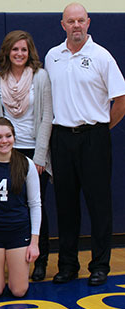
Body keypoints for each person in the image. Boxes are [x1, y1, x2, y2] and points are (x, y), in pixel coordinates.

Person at [45, 2, 125, 286]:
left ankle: (100, 265)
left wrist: (101, 128)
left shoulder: (102, 56)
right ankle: (67, 265)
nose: (76, 25)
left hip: (94, 137)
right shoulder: (53, 56)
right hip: (61, 137)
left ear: (88, 23)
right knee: (65, 205)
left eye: (81, 21)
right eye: (71, 21)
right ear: (63, 24)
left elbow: (121, 99)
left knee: (99, 204)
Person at [0, 30, 53, 282]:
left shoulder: (40, 77)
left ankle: (40, 260)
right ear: (7, 52)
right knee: (13, 207)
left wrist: (40, 156)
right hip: (9, 151)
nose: (19, 54)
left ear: (30, 53)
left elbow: (47, 116)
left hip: (34, 152)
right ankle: (12, 261)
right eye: (14, 49)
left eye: (23, 50)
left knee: (36, 207)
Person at [0, 117, 41, 297]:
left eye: (8, 136)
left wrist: (34, 243)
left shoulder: (26, 163)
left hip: (18, 231)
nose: (4, 141)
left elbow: (35, 204)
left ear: (14, 137)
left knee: (19, 291)